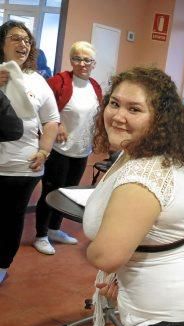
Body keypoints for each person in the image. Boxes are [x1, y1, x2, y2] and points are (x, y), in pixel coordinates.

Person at [84, 67, 184, 326]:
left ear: (159, 119)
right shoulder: (137, 151)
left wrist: (102, 252)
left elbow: (107, 254)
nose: (118, 115)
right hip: (180, 297)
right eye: (114, 103)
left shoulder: (145, 175)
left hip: (171, 310)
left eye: (134, 109)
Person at [0, 20, 59, 284]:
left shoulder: (38, 81)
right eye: (15, 38)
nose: (23, 44)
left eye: (27, 40)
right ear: (1, 44)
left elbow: (51, 120)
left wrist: (44, 151)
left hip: (23, 167)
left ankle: (1, 265)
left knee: (11, 220)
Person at [33, 41, 103, 255]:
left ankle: (54, 229)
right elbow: (41, 110)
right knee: (51, 191)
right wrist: (58, 125)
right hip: (59, 149)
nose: (82, 63)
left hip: (81, 151)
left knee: (68, 192)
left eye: (87, 60)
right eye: (77, 58)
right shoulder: (58, 82)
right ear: (71, 60)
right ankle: (41, 235)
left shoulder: (95, 86)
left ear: (94, 63)